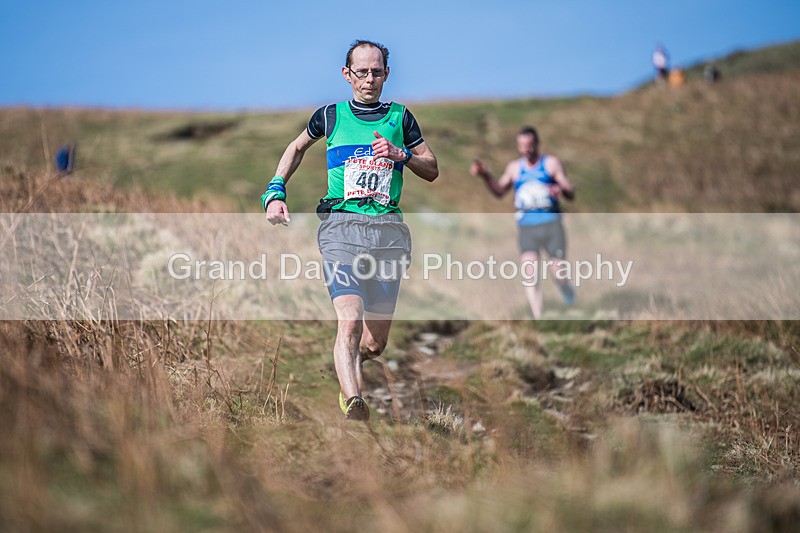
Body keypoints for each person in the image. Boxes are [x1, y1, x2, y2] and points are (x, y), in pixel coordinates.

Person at [262, 40, 439, 421]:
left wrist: (401, 155)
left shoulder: (401, 117)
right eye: (362, 72)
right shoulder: (330, 116)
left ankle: (350, 364)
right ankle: (353, 400)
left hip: (389, 234)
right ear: (347, 74)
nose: (369, 79)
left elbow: (432, 167)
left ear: (386, 74)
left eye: (377, 71)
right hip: (341, 229)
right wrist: (275, 190)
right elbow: (295, 148)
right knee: (350, 320)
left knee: (374, 343)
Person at [471, 127, 575, 320]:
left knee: (558, 272)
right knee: (530, 273)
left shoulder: (550, 164)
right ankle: (538, 318)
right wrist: (485, 175)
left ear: (537, 144)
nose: (526, 149)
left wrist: (559, 188)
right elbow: (500, 191)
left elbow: (570, 190)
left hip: (551, 225)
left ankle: (567, 290)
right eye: (522, 146)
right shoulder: (514, 168)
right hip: (527, 227)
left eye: (529, 145)